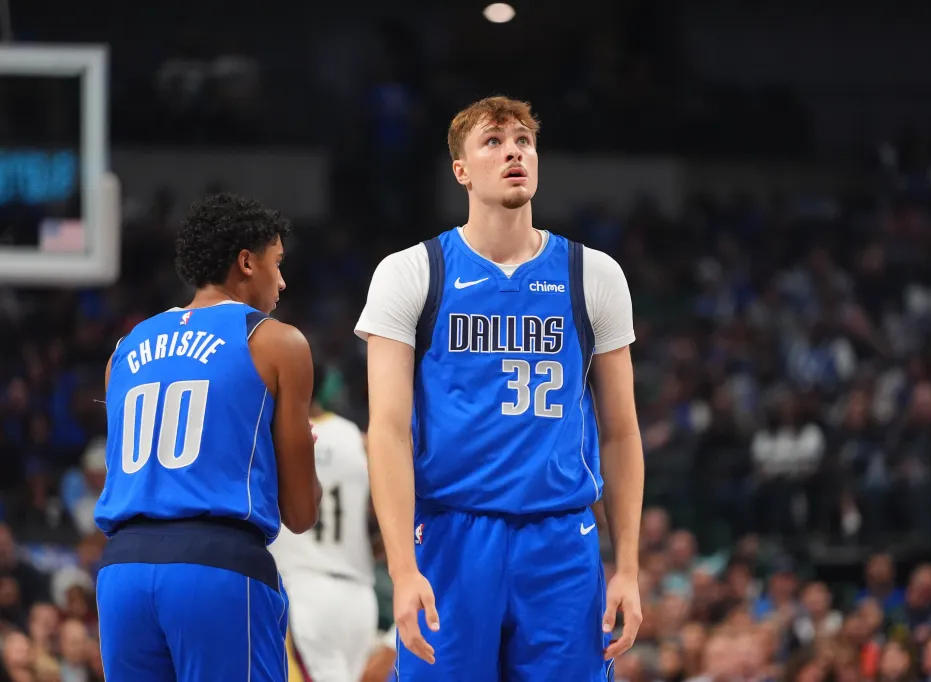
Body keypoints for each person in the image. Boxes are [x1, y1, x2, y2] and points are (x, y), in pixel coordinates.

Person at [355, 95, 645, 681]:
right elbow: (386, 432)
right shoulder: (411, 271)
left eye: (523, 142)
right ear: (460, 170)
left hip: (561, 538)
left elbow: (621, 431)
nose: (514, 152)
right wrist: (403, 570)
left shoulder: (594, 274)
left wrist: (629, 567)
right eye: (493, 141)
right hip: (451, 532)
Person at [94, 193, 322, 681]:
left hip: (121, 572)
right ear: (247, 262)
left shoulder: (124, 349)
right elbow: (301, 513)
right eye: (277, 262)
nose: (282, 280)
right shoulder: (276, 342)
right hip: (216, 567)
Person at [272, 364, 378, 682]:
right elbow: (383, 514)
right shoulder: (358, 438)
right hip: (359, 595)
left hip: (304, 590)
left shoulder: (275, 434)